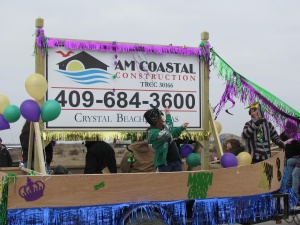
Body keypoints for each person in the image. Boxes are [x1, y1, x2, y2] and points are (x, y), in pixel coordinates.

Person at [144, 107, 189, 172]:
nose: (162, 118)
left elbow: (173, 133)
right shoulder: (152, 132)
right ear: (157, 119)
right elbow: (169, 132)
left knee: (178, 182)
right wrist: (168, 115)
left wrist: (181, 128)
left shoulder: (163, 128)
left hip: (176, 162)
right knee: (164, 182)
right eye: (160, 117)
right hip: (164, 165)